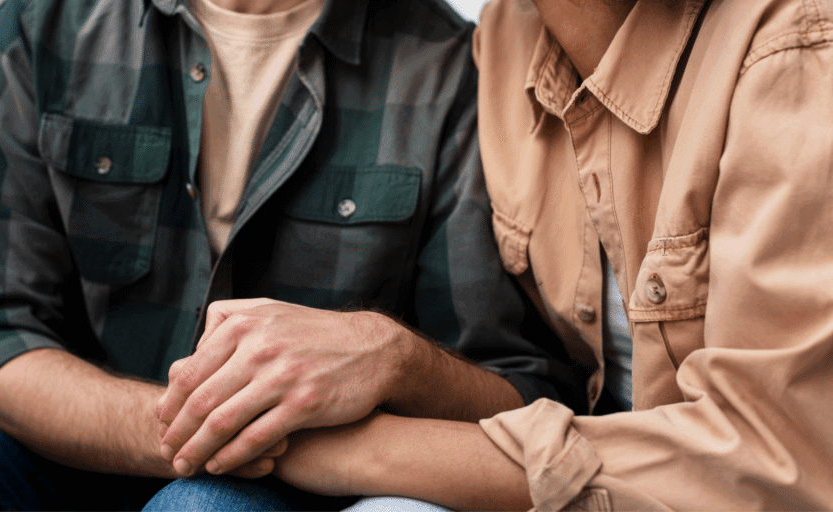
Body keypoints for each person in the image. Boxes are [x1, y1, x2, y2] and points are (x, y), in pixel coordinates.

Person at [0, 0, 581, 509]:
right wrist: (206, 431)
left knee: (205, 507)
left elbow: (519, 392)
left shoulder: (454, 67)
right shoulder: (48, 23)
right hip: (49, 466)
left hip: (292, 491)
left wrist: (396, 357)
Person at [262, 0, 833, 509]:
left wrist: (352, 451)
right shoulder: (502, 39)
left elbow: (775, 462)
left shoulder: (793, 43)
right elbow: (543, 369)